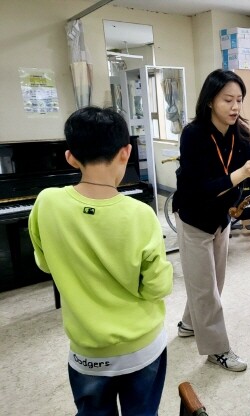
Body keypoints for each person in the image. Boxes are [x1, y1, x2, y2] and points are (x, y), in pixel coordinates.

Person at [28, 106, 173, 415]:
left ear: (70, 157)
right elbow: (157, 287)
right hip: (140, 349)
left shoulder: (47, 203)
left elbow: (45, 264)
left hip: (86, 353)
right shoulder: (140, 215)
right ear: (126, 152)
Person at [172, 69, 250, 372]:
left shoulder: (241, 134)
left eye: (239, 100)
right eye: (228, 99)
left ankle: (188, 323)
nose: (235, 106)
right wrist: (239, 174)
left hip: (221, 219)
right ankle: (217, 349)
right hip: (194, 218)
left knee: (213, 283)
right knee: (205, 288)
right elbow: (199, 189)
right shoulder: (194, 134)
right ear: (211, 100)